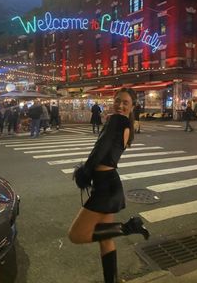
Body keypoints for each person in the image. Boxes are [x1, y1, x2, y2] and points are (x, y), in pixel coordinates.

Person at [68, 88, 149, 283]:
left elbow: (100, 151)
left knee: (76, 235)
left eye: (125, 103)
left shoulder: (117, 121)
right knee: (105, 239)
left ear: (132, 106)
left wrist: (85, 172)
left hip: (105, 188)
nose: (120, 105)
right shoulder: (126, 125)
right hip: (109, 184)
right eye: (118, 101)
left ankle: (130, 227)